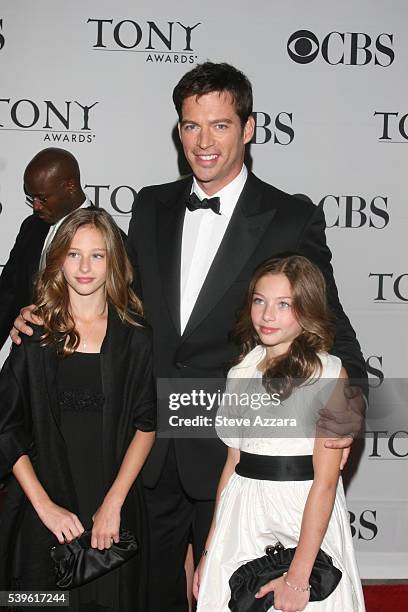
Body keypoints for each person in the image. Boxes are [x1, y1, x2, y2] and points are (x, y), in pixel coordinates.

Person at [12, 62, 366, 611]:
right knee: (147, 596)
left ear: (249, 128)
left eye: (220, 125)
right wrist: (41, 315)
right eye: (191, 126)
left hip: (231, 457)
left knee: (229, 596)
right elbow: (111, 294)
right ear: (178, 130)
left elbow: (333, 326)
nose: (203, 142)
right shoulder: (152, 203)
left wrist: (349, 407)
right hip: (144, 447)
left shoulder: (289, 217)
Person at [0, 208, 156, 611]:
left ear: (113, 263)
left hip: (112, 510)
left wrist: (113, 503)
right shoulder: (34, 334)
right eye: (73, 254)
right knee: (37, 603)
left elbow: (146, 425)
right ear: (58, 261)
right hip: (43, 511)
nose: (85, 267)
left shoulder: (135, 337)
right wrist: (44, 507)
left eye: (97, 255)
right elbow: (7, 428)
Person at [194, 255, 365, 612]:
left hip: (301, 510)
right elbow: (232, 464)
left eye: (283, 305)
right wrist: (209, 550)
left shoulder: (329, 374)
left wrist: (298, 577)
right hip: (240, 515)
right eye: (260, 301)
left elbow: (326, 483)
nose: (267, 315)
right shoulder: (242, 370)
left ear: (307, 310)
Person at [0, 147, 92, 349]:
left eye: (42, 198)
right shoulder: (32, 227)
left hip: (77, 358)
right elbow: (8, 293)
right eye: (31, 198)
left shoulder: (106, 236)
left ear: (70, 186)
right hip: (25, 358)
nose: (35, 206)